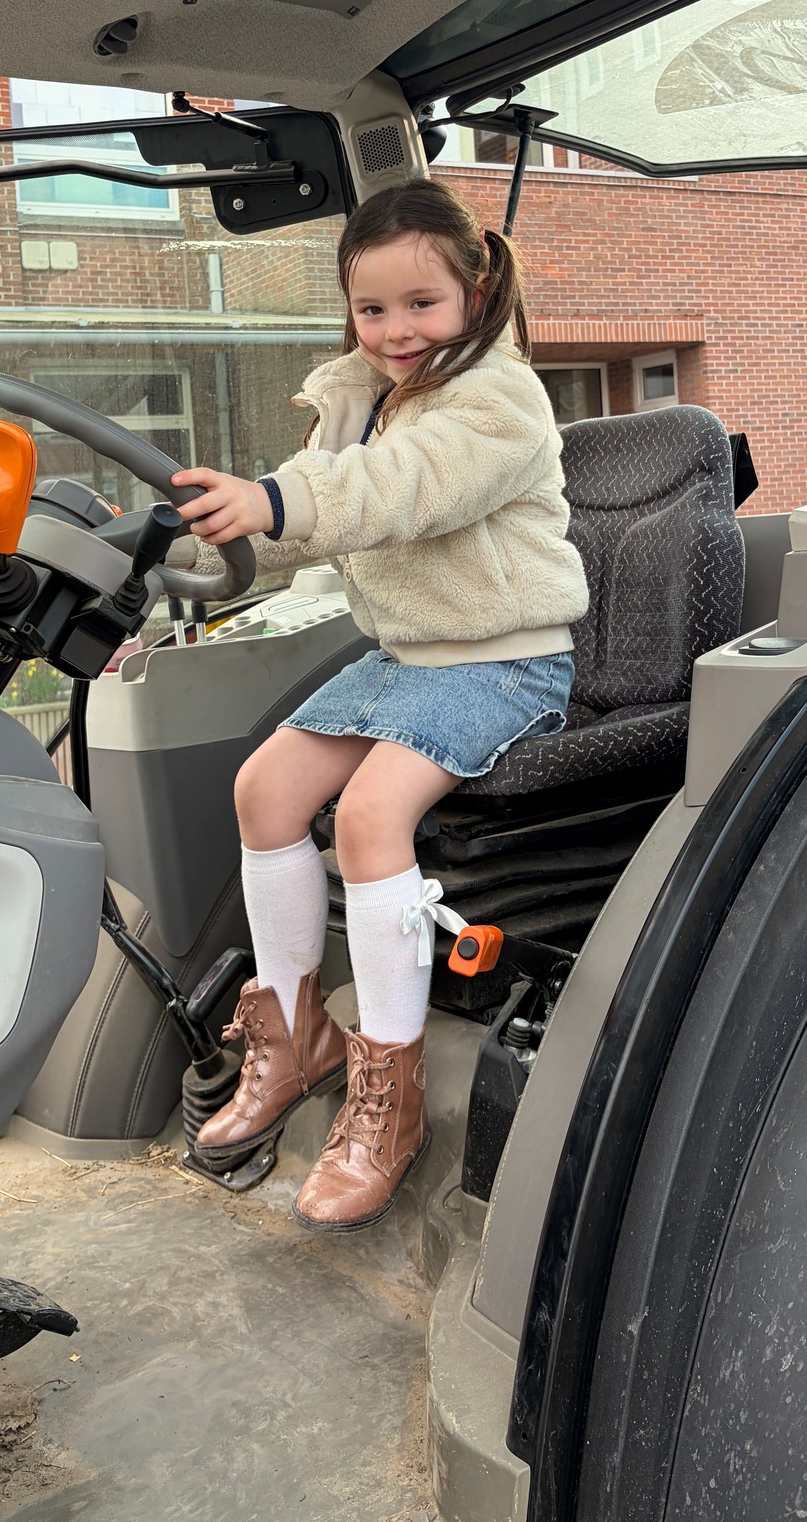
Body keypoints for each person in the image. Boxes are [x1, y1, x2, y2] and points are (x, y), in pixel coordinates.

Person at [170, 180, 588, 1230]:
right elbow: (310, 515)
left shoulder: (498, 400)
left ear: (475, 291)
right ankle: (293, 1032)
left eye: (421, 304)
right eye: (372, 309)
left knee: (367, 815)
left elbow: (400, 489)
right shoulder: (360, 395)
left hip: (504, 660)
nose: (397, 330)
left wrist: (278, 500)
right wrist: (195, 536)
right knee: (264, 789)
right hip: (406, 658)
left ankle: (386, 1095)